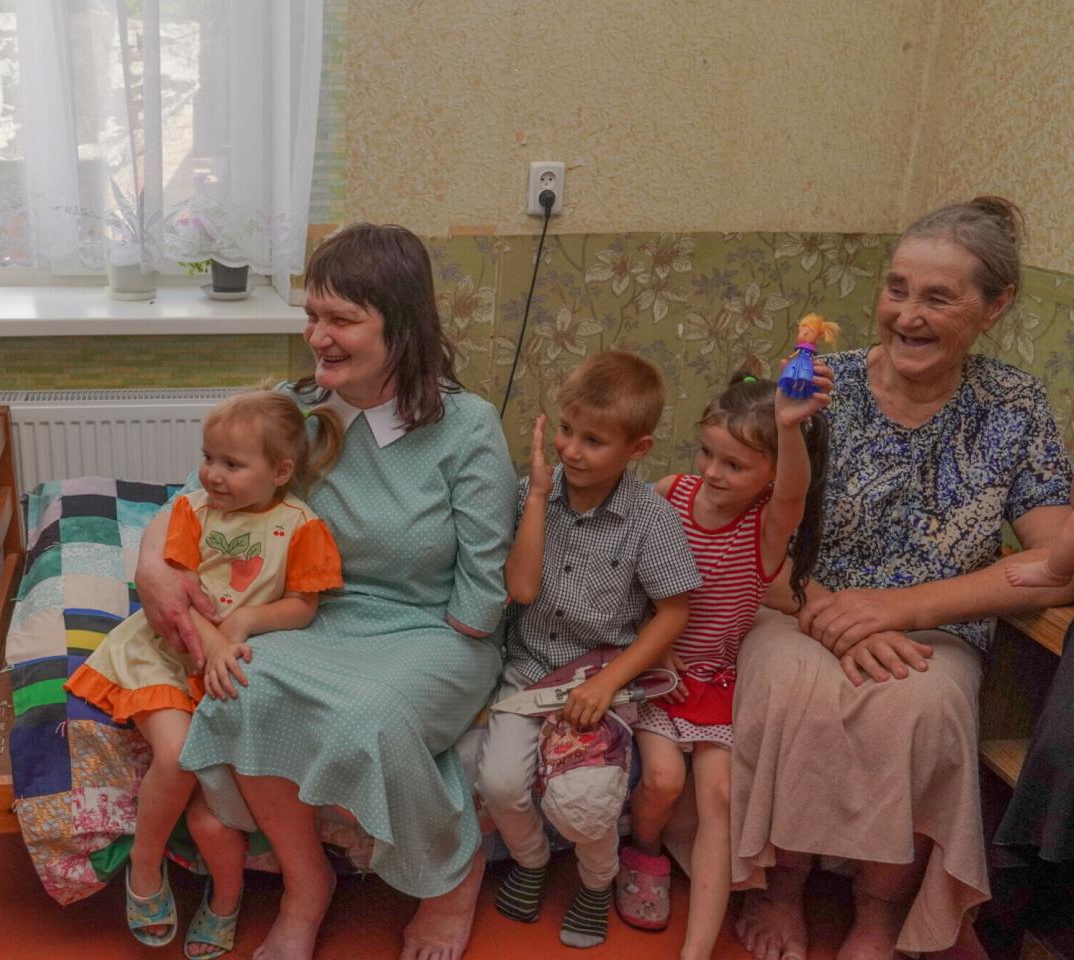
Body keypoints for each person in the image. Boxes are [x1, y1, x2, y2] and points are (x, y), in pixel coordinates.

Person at [136, 223, 517, 960]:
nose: (319, 337)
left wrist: (431, 671)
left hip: (433, 631)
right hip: (312, 619)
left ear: (402, 327)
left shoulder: (467, 428)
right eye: (314, 316)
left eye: (342, 320)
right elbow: (190, 504)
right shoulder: (297, 411)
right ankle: (307, 889)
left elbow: (483, 587)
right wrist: (154, 568)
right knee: (241, 689)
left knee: (369, 716)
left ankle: (451, 875)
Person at [729, 196, 1074, 960]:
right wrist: (830, 615)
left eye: (938, 297)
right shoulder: (819, 388)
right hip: (798, 604)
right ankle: (781, 889)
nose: (907, 315)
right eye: (897, 289)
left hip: (933, 628)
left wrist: (899, 609)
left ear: (995, 307)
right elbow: (754, 530)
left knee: (920, 709)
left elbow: (1055, 567)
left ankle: (879, 914)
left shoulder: (1013, 407)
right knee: (790, 689)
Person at [64, 388, 345, 958]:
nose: (211, 474)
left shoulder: (301, 525)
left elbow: (303, 605)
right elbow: (175, 595)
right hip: (167, 649)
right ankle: (143, 869)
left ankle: (226, 898)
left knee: (214, 813)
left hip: (225, 658)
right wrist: (214, 643)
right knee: (176, 755)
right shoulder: (192, 511)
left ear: (281, 470)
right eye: (208, 456)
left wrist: (242, 623)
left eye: (232, 464)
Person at [478, 351, 702, 949]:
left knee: (586, 802)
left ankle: (598, 881)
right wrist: (534, 500)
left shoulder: (650, 518)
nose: (572, 451)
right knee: (499, 782)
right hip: (528, 673)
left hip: (603, 675)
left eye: (594, 440)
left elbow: (674, 611)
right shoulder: (535, 493)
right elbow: (520, 589)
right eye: (567, 432)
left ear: (639, 449)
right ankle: (529, 863)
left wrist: (608, 684)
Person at [622, 370, 830, 960]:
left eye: (735, 465)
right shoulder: (671, 494)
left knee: (719, 797)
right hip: (657, 671)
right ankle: (643, 851)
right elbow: (632, 581)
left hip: (714, 680)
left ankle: (696, 950)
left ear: (769, 475)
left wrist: (789, 429)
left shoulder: (765, 529)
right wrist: (655, 648)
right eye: (708, 453)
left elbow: (795, 491)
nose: (713, 473)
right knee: (663, 779)